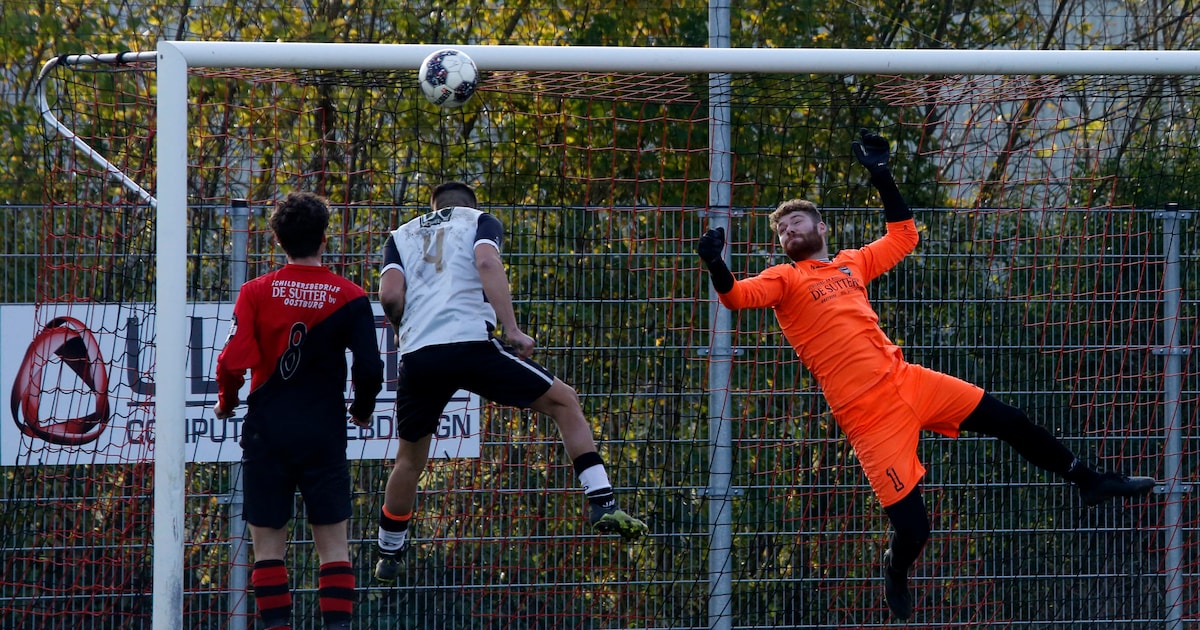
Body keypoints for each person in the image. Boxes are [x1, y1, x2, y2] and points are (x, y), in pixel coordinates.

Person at [696, 129, 1157, 621]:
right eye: (782, 230)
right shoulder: (783, 278)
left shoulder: (851, 264)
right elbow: (735, 296)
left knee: (1011, 420)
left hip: (907, 379)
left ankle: (1091, 481)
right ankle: (895, 566)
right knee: (916, 530)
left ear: (821, 226)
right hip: (868, 416)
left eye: (796, 221)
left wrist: (882, 176)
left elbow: (903, 236)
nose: (788, 232)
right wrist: (714, 262)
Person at [372, 181, 648, 582]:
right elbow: (486, 263)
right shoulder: (479, 221)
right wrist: (513, 329)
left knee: (409, 460)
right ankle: (602, 501)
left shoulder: (401, 235)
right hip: (470, 343)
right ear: (470, 204)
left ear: (432, 205)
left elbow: (390, 296)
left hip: (419, 355)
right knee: (564, 402)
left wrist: (401, 330)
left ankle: (389, 551)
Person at [214, 191, 384, 630]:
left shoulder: (254, 292)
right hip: (323, 432)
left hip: (267, 430)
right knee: (334, 546)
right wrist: (362, 409)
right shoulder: (350, 296)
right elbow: (370, 368)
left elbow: (233, 359)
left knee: (268, 547)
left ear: (277, 240)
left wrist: (226, 401)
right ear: (324, 239)